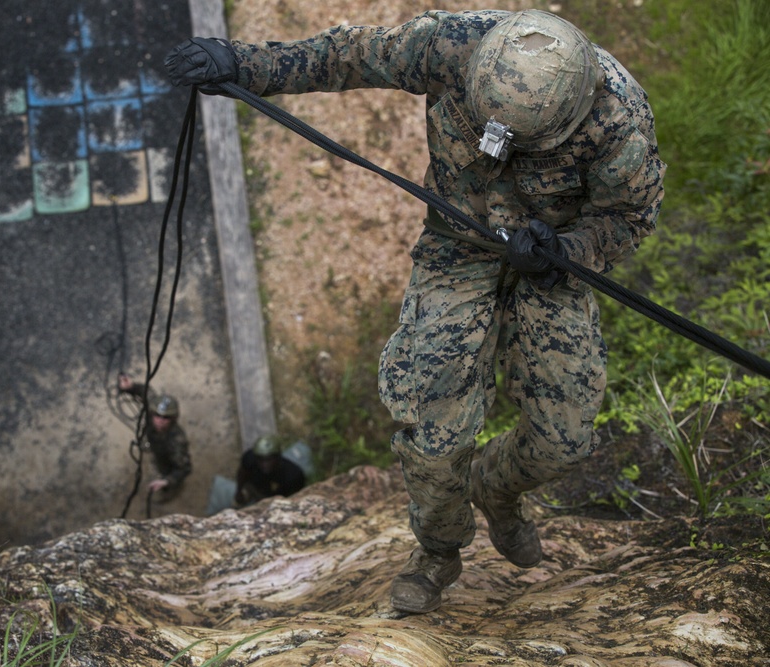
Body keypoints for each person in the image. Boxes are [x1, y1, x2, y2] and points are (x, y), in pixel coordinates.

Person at [165, 8, 665, 614]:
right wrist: (244, 64)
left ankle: (495, 488)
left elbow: (627, 217)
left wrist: (568, 250)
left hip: (549, 260)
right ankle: (439, 550)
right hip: (459, 248)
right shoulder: (452, 45)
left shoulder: (619, 120)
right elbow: (347, 55)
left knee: (564, 440)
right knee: (430, 423)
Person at [117, 374, 192, 501]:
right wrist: (131, 386)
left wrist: (167, 481)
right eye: (157, 415)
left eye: (166, 417)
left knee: (164, 468)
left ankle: (167, 489)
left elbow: (184, 468)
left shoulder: (177, 441)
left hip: (166, 455)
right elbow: (146, 392)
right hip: (153, 441)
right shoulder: (152, 406)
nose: (160, 420)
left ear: (173, 418)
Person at [235, 435, 306, 506]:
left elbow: (296, 497)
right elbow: (242, 474)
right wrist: (239, 491)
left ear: (278, 457)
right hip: (255, 489)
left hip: (278, 500)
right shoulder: (249, 459)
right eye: (261, 459)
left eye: (269, 460)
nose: (264, 464)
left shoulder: (293, 475)